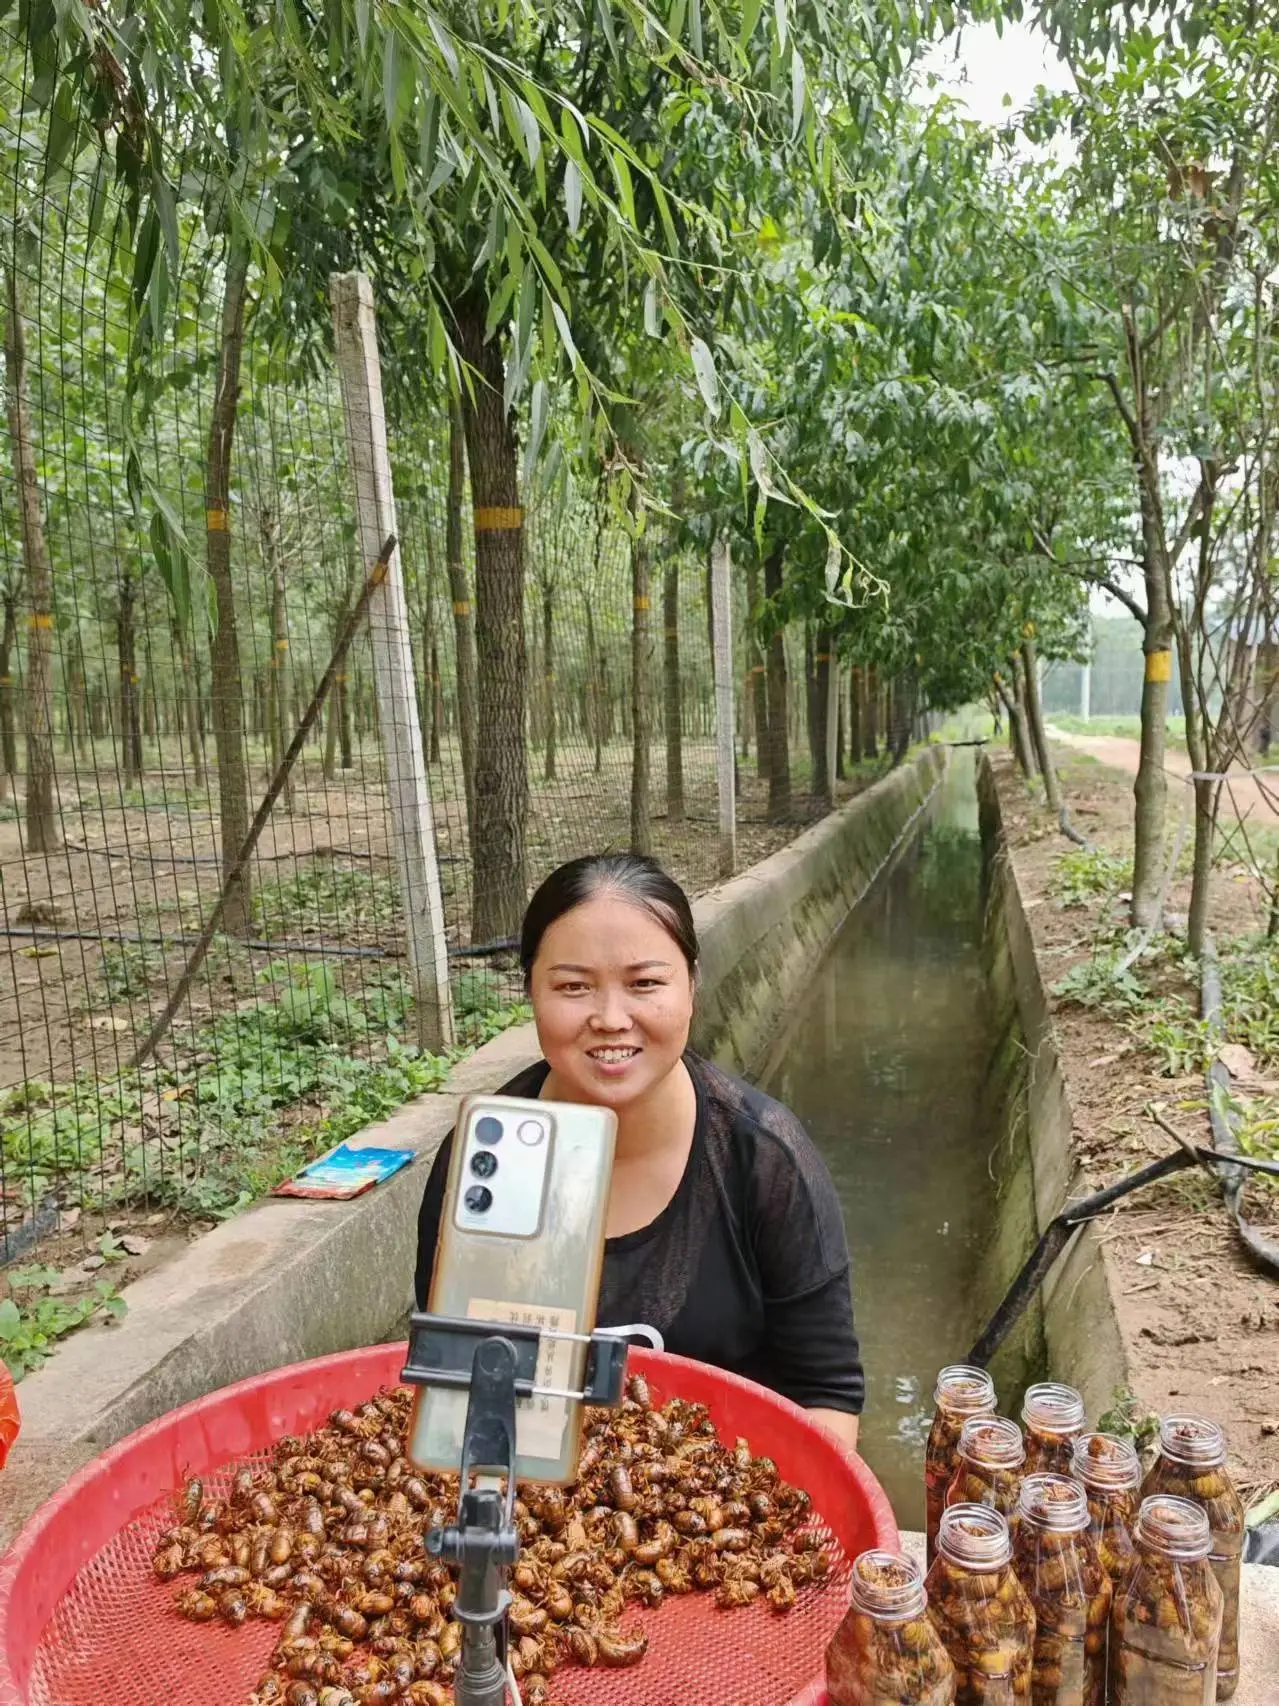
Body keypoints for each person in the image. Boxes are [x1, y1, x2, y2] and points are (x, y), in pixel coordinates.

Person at [414, 853, 864, 1450]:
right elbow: (453, 1376)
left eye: (645, 983)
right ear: (530, 992)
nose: (610, 1018)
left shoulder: (763, 1159)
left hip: (726, 1505)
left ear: (692, 985)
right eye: (573, 986)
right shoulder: (482, 1163)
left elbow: (827, 1392)